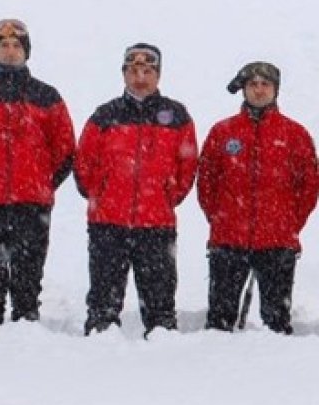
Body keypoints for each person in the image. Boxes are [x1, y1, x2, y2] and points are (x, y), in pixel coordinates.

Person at [0, 19, 76, 324]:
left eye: (16, 46)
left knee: (27, 281)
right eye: (4, 46)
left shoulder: (46, 96)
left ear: (27, 51)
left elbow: (65, 149)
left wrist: (43, 185)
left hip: (31, 206)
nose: (10, 52)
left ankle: (27, 342)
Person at [74, 43, 198, 337]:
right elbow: (83, 162)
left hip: (156, 224)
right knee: (104, 300)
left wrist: (167, 197)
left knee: (160, 303)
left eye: (147, 71)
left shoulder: (176, 115)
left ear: (158, 75)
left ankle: (161, 345)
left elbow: (188, 165)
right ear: (124, 74)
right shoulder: (105, 115)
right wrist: (100, 194)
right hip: (108, 223)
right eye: (133, 71)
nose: (140, 77)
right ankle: (99, 344)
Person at [197, 62, 318, 334]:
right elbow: (206, 181)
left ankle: (274, 374)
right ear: (243, 89)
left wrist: (288, 223)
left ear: (275, 90)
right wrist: (220, 218)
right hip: (228, 240)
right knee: (219, 321)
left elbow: (309, 187)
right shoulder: (223, 132)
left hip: (277, 242)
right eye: (253, 84)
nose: (259, 90)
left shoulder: (295, 135)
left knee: (276, 322)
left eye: (265, 84)